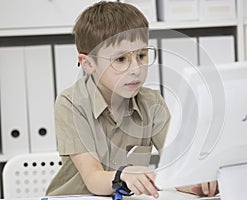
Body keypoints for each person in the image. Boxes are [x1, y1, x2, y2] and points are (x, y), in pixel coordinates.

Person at [46, 1, 217, 199]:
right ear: (88, 64)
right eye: (120, 59)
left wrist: (197, 181)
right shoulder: (71, 103)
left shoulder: (152, 103)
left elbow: (177, 166)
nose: (136, 68)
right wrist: (123, 175)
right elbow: (93, 179)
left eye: (142, 55)